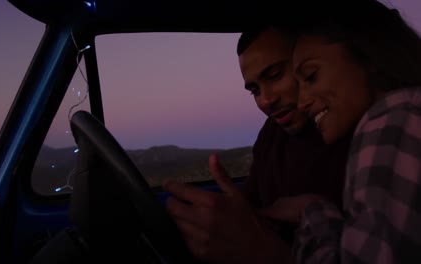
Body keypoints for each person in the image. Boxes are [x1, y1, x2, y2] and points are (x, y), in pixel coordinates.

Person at [162, 17, 353, 263]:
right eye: (254, 90)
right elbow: (249, 206)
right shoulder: (273, 134)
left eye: (274, 75)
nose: (265, 100)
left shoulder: (355, 136)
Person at [266, 0, 421, 263]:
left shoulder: (391, 119)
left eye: (311, 76)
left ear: (369, 54)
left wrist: (309, 216)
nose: (302, 103)